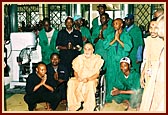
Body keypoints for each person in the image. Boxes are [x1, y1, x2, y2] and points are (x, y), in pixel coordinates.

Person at [67, 43, 104, 111]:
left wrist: (88, 79)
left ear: (93, 50)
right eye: (85, 49)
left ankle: (88, 108)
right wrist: (78, 77)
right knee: (71, 82)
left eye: (89, 49)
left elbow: (97, 74)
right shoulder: (79, 58)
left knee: (90, 84)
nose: (87, 51)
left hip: (91, 79)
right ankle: (73, 106)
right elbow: (75, 71)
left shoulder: (97, 59)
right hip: (79, 78)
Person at [103, 18, 133, 102]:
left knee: (121, 81)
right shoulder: (110, 35)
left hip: (122, 63)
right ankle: (109, 100)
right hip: (112, 62)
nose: (114, 25)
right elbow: (105, 46)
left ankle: (120, 99)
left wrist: (118, 40)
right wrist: (114, 40)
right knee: (111, 79)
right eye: (114, 24)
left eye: (116, 23)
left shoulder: (126, 35)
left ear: (121, 24)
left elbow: (128, 47)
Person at [139, 15, 165, 112]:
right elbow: (147, 59)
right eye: (151, 27)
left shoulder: (162, 41)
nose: (153, 30)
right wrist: (142, 74)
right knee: (147, 97)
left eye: (156, 28)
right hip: (149, 72)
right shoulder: (148, 39)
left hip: (159, 74)